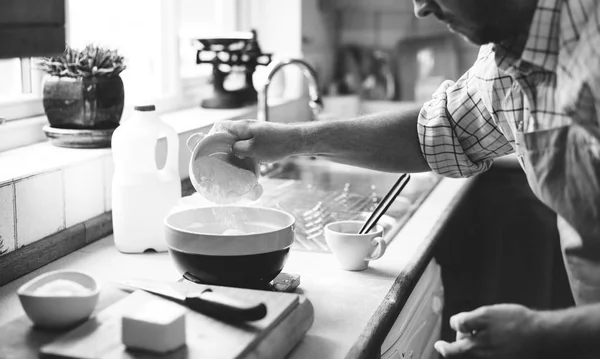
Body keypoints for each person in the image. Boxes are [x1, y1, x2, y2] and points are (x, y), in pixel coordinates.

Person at [211, 0, 600, 357]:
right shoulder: (508, 58)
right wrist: (293, 139)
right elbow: (434, 131)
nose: (420, 8)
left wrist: (545, 332)